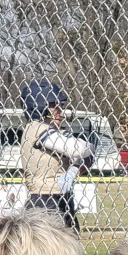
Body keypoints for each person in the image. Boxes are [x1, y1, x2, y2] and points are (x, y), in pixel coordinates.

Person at [20, 79, 93, 233]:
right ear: (41, 106)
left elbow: (89, 153)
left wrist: (73, 170)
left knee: (72, 242)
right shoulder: (36, 128)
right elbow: (78, 150)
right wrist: (83, 149)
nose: (60, 111)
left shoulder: (54, 131)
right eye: (55, 106)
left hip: (62, 198)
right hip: (44, 201)